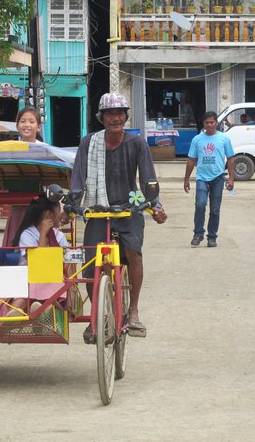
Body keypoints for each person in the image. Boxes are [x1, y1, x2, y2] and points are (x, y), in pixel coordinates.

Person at [70, 92, 168, 341]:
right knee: (91, 264)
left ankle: (133, 311)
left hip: (129, 207)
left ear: (125, 117)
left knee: (134, 252)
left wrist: (155, 205)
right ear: (102, 118)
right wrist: (72, 205)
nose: (116, 118)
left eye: (120, 114)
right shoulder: (88, 142)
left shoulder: (136, 143)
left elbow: (148, 178)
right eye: (110, 114)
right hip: (97, 208)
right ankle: (97, 317)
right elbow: (78, 178)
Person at [8, 195, 68, 316]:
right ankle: (12, 316)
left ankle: (43, 312)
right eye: (58, 211)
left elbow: (66, 261)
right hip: (29, 275)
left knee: (52, 284)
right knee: (25, 290)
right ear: (48, 215)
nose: (61, 214)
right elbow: (38, 262)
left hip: (52, 276)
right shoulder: (27, 234)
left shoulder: (60, 236)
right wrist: (43, 236)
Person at [184, 111, 235, 248]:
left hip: (218, 178)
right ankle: (198, 233)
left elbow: (230, 159)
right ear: (203, 124)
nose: (210, 125)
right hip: (202, 178)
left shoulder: (224, 139)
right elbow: (191, 160)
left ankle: (212, 237)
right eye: (207, 122)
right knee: (200, 205)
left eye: (212, 122)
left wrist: (231, 178)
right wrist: (186, 179)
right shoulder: (197, 140)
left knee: (214, 209)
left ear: (216, 123)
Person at [2, 106, 45, 246]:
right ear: (17, 125)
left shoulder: (45, 150)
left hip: (36, 209)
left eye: (31, 122)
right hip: (16, 206)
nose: (27, 125)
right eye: (23, 121)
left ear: (38, 127)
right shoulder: (9, 149)